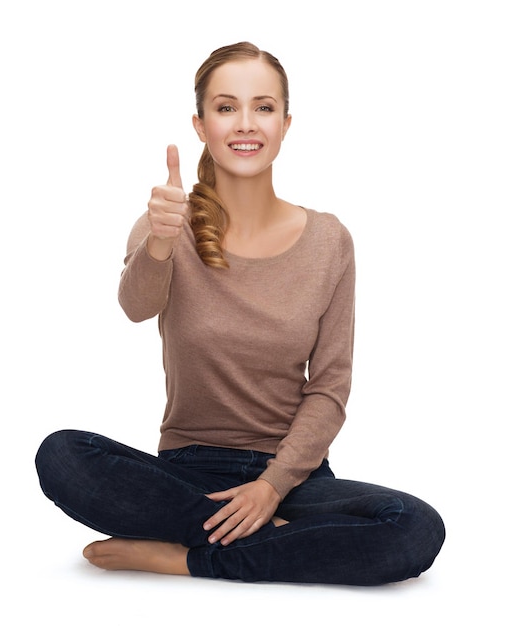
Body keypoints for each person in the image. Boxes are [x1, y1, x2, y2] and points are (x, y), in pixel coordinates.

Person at [35, 41, 445, 585]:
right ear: (201, 125)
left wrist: (272, 486)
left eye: (264, 107)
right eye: (226, 107)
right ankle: (259, 544)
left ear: (286, 123)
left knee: (415, 527)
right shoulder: (167, 221)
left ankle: (186, 555)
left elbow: (329, 387)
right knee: (61, 455)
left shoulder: (329, 240)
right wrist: (159, 243)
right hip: (186, 473)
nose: (245, 123)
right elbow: (136, 307)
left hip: (294, 479)